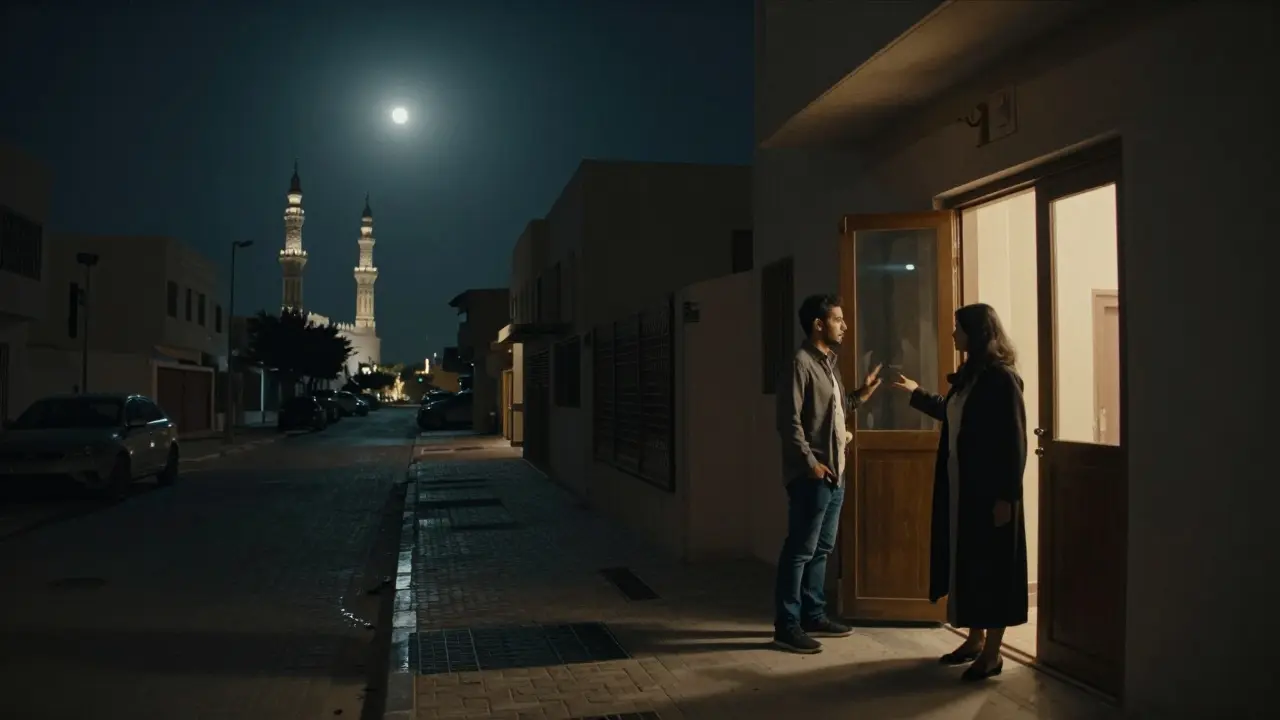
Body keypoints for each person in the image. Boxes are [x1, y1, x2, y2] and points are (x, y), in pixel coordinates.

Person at [890, 303, 1029, 681]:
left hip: (991, 494)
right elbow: (955, 414)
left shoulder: (1002, 379)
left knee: (994, 569)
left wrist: (1006, 499)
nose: (953, 334)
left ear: (976, 332)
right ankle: (975, 638)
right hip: (963, 489)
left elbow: (1014, 444)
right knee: (971, 564)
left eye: (958, 328)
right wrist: (918, 393)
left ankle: (994, 654)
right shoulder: (972, 376)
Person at [773, 294, 882, 654]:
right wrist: (812, 466)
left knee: (821, 548)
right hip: (814, 476)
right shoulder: (800, 363)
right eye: (837, 319)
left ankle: (813, 615)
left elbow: (833, 411)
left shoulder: (828, 364)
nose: (844, 325)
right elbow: (789, 424)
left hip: (835, 473)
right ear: (818, 324)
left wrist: (860, 395)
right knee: (800, 551)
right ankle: (787, 626)